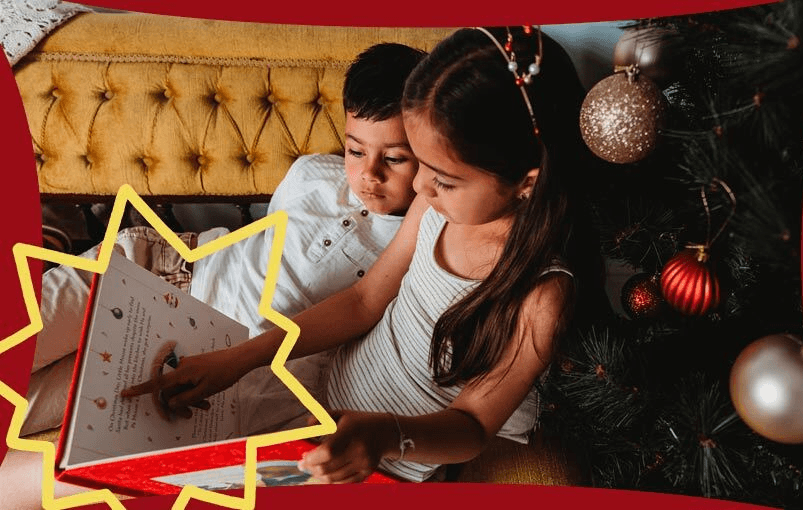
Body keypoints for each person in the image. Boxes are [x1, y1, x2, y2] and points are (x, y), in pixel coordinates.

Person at [124, 26, 602, 484]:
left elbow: (473, 426)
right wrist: (242, 358)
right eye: (420, 164)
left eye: (444, 178)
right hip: (316, 398)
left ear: (527, 181)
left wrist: (383, 435)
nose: (418, 186)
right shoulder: (437, 207)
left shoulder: (542, 296)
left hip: (375, 463)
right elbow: (365, 300)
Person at [1, 42, 426, 507]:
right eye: (354, 149)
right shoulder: (313, 174)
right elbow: (255, 251)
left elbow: (363, 308)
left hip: (204, 368)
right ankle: (55, 244)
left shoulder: (418, 240)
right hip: (161, 272)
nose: (368, 174)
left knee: (32, 463)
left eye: (396, 159)